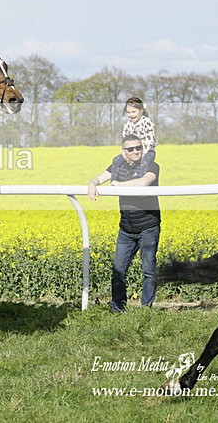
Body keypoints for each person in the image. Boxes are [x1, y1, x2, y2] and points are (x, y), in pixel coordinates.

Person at [87, 134, 161, 313]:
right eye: (131, 149)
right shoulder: (117, 166)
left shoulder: (152, 165)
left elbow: (143, 183)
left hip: (148, 227)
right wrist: (92, 183)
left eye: (138, 148)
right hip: (126, 229)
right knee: (118, 270)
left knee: (149, 270)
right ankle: (118, 309)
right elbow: (98, 179)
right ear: (124, 152)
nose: (136, 151)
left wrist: (118, 185)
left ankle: (146, 310)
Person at [122, 97, 157, 167]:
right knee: (117, 160)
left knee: (144, 162)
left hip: (147, 152)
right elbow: (125, 142)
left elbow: (149, 142)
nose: (131, 115)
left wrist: (140, 155)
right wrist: (125, 153)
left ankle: (143, 174)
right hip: (132, 152)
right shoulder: (127, 125)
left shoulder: (146, 122)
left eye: (133, 112)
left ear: (141, 111)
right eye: (128, 112)